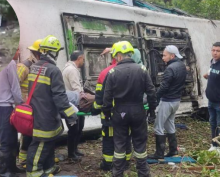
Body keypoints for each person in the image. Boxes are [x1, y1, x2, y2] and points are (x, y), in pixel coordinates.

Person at [103, 41, 157, 177]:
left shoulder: (112, 72)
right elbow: (151, 93)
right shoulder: (142, 69)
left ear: (119, 56)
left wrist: (107, 114)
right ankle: (143, 173)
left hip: (119, 112)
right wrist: (151, 112)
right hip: (138, 110)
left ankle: (118, 174)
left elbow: (107, 97)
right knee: (140, 145)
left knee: (120, 145)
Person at [26, 35, 78, 177]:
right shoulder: (53, 70)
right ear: (54, 52)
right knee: (41, 144)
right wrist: (71, 114)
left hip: (36, 112)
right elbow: (60, 96)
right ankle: (34, 172)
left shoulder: (34, 67)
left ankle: (48, 169)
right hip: (46, 114)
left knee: (48, 143)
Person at [92, 43, 133, 171]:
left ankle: (108, 164)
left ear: (114, 56)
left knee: (109, 139)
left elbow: (100, 97)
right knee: (126, 137)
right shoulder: (135, 70)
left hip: (110, 114)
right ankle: (126, 162)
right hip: (128, 113)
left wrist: (95, 108)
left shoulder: (105, 72)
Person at [148, 45, 187, 159]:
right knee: (169, 124)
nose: (163, 57)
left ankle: (159, 153)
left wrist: (155, 98)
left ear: (172, 55)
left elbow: (164, 87)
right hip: (176, 101)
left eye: (165, 55)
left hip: (167, 101)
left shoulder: (170, 69)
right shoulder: (181, 66)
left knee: (158, 126)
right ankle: (173, 150)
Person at [0, 47, 22, 177]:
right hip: (4, 107)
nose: (19, 53)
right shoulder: (11, 63)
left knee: (12, 139)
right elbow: (15, 87)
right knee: (6, 141)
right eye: (17, 50)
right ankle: (4, 172)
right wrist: (21, 104)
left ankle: (12, 168)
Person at [16, 39, 42, 168]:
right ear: (37, 53)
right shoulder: (24, 66)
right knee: (26, 133)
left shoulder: (37, 66)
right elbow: (14, 85)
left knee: (33, 133)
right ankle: (23, 161)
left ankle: (31, 158)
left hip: (34, 105)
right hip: (26, 106)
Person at [62, 50, 86, 162]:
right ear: (79, 58)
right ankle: (71, 154)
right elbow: (76, 88)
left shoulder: (70, 69)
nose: (84, 61)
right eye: (83, 59)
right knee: (74, 129)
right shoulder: (72, 70)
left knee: (78, 127)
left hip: (72, 102)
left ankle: (74, 150)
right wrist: (85, 98)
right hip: (74, 103)